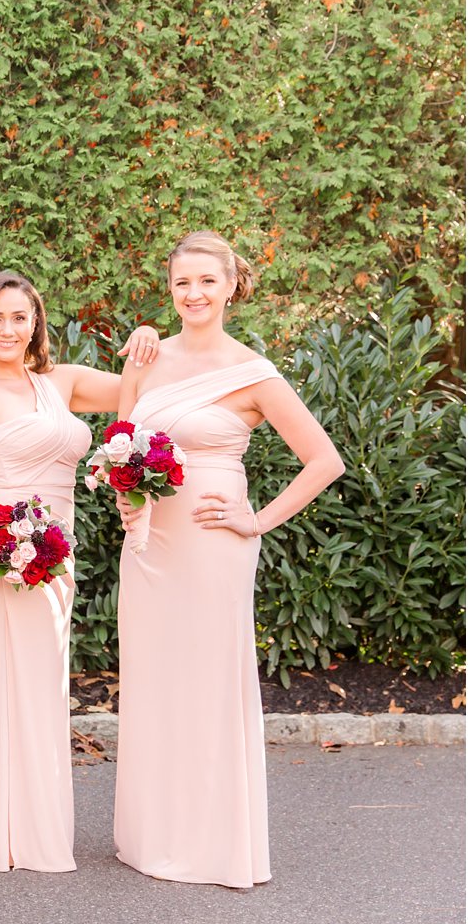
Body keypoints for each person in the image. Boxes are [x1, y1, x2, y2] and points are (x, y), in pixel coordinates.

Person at [113, 230, 343, 888]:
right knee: (155, 677)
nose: (193, 294)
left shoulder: (254, 372)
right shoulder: (147, 356)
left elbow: (325, 460)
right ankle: (153, 833)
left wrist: (257, 520)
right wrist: (126, 500)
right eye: (182, 282)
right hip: (152, 543)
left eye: (207, 282)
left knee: (209, 680)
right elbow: (123, 445)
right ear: (170, 286)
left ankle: (212, 843)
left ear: (233, 286)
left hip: (216, 544)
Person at [0, 270, 158, 873]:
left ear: (36, 324)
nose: (8, 329)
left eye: (19, 317)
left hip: (60, 545)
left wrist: (145, 335)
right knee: (18, 678)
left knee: (43, 681)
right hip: (2, 544)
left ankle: (29, 824)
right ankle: (15, 833)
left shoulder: (62, 382)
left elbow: (140, 386)